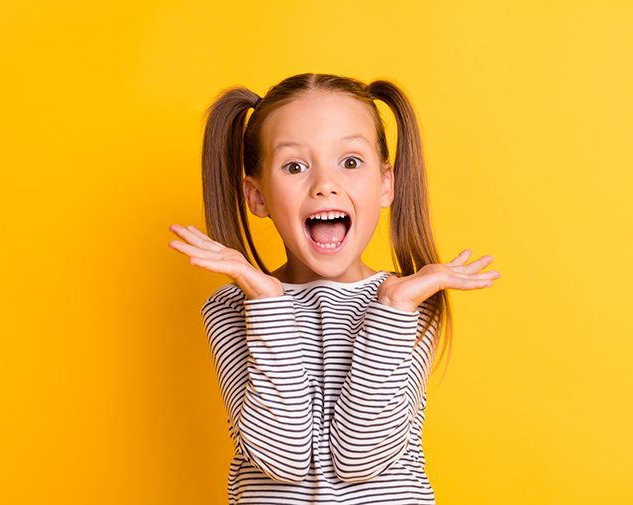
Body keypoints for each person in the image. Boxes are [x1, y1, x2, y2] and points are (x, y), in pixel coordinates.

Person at [168, 72, 500, 504]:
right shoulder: (233, 307)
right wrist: (267, 302)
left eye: (349, 162)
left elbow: (360, 457)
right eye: (294, 166)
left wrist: (394, 308)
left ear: (386, 183)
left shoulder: (411, 303)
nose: (325, 184)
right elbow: (279, 459)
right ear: (258, 196)